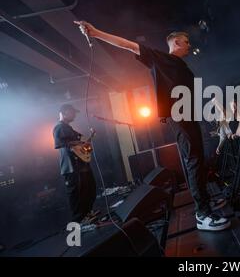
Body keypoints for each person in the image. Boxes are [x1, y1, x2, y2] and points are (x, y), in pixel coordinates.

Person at [74, 21, 230, 231]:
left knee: (198, 159)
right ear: (176, 42)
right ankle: (203, 215)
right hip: (179, 115)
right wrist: (96, 32)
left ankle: (204, 203)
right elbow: (128, 45)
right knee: (193, 160)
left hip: (188, 115)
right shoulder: (161, 58)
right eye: (186, 42)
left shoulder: (179, 64)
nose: (189, 45)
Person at [53, 104, 97, 223]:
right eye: (72, 112)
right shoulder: (59, 127)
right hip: (71, 166)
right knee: (77, 194)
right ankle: (80, 219)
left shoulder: (69, 128)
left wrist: (90, 138)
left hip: (81, 165)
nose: (74, 115)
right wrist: (79, 144)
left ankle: (88, 213)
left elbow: (82, 144)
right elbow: (59, 144)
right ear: (65, 112)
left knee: (90, 189)